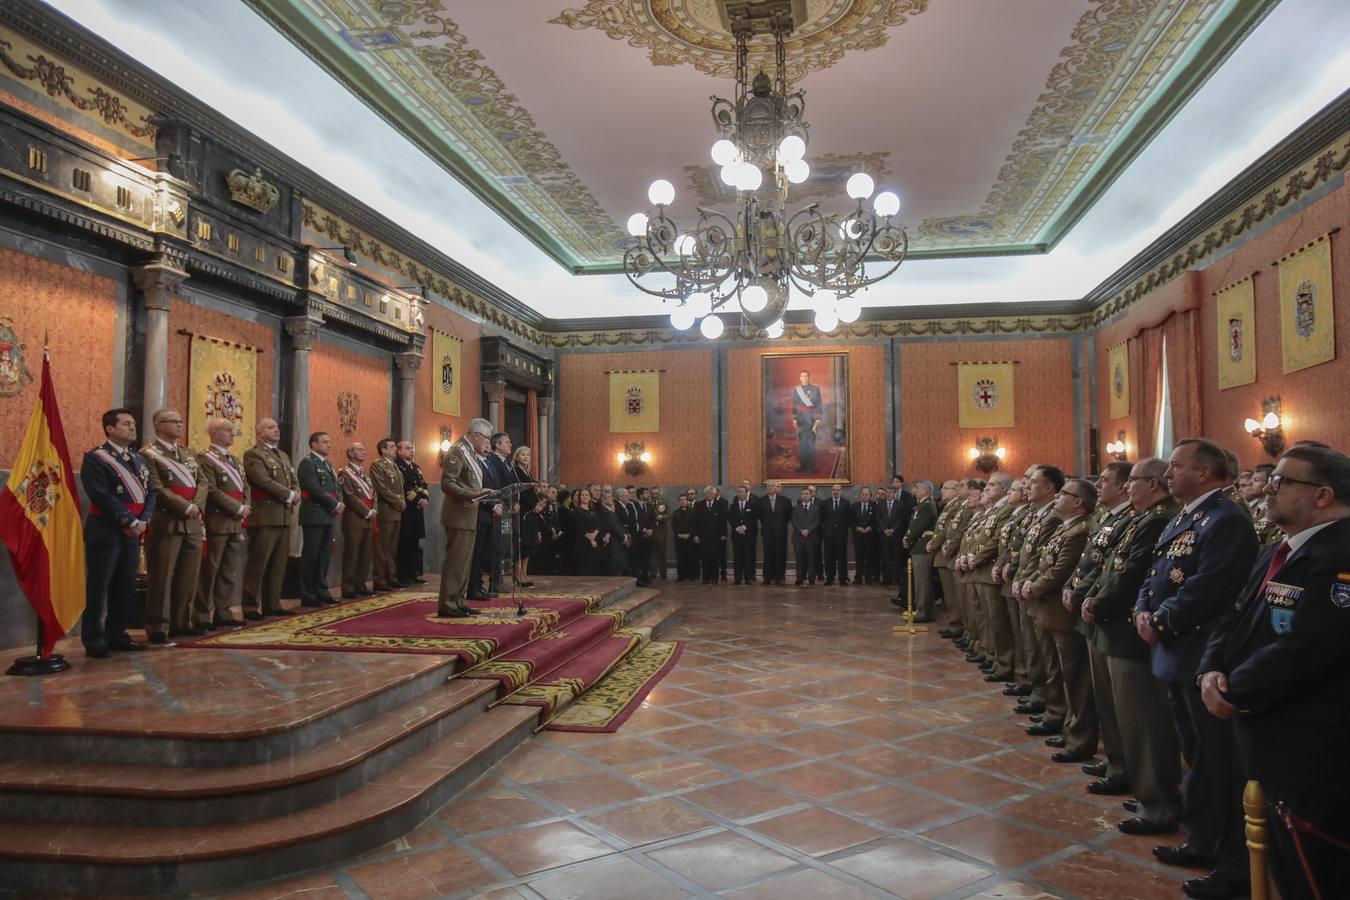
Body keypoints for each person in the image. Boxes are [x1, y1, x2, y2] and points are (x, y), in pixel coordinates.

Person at [1198, 445, 1350, 899]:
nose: (1268, 487)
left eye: (1283, 481)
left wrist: (1233, 689)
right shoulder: (1276, 551)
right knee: (1282, 860)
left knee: (1313, 868)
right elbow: (1233, 616)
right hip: (1265, 727)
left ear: (1322, 495)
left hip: (1311, 740)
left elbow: (1311, 646)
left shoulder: (1340, 554)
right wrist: (1210, 669)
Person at [1135, 439, 1256, 893]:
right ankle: (1202, 836)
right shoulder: (1188, 516)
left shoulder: (1225, 519)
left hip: (1198, 651)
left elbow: (1214, 585)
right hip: (1172, 649)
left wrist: (1162, 620)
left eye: (1176, 466)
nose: (1167, 474)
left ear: (1204, 473)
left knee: (1213, 759)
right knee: (1196, 754)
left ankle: (1219, 845)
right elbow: (1156, 573)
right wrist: (1143, 609)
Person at [1082, 457, 1183, 838]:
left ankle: (1157, 803)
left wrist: (1098, 602)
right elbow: (1110, 566)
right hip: (1117, 626)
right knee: (1125, 717)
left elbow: (1132, 573)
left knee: (1144, 722)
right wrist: (1092, 596)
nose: (1127, 488)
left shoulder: (1158, 519)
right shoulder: (1143, 518)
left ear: (1153, 484)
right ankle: (1137, 784)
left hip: (1130, 630)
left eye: (1133, 481)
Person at [1067, 461, 1136, 796]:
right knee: (1105, 699)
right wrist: (1079, 589)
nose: (1099, 486)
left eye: (1105, 481)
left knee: (1125, 706)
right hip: (1095, 608)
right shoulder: (1112, 519)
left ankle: (1128, 770)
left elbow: (1121, 572)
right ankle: (1115, 761)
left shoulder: (1137, 520)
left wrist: (1090, 597)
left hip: (1116, 620)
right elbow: (1094, 562)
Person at [1018, 477, 1096, 761]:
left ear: (1078, 502)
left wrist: (1034, 586)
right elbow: (1042, 561)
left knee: (1073, 676)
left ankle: (1078, 735)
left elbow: (1061, 569)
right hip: (1047, 608)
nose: (1059, 497)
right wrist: (1030, 582)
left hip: (1060, 611)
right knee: (1057, 670)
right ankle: (1064, 722)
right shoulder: (1066, 526)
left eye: (1064, 493)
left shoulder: (1080, 530)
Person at [81, 409, 154, 657]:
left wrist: (143, 520)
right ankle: (94, 639)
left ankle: (117, 634)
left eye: (133, 423)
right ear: (110, 429)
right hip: (106, 530)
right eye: (126, 423)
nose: (132, 427)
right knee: (99, 586)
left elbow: (150, 493)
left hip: (133, 531)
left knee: (125, 585)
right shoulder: (96, 458)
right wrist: (128, 519)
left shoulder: (139, 459)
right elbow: (100, 493)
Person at [141, 408, 208, 640]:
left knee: (189, 574)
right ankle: (158, 625)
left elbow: (203, 481)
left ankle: (182, 621)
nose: (179, 425)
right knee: (162, 574)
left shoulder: (189, 453)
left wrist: (196, 505)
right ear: (158, 425)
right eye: (174, 421)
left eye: (181, 421)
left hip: (193, 522)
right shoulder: (148, 454)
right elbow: (156, 487)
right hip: (166, 521)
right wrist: (184, 506)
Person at [1011, 466, 1064, 724]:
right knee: (1032, 645)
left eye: (1032, 482)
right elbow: (1024, 551)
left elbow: (1042, 558)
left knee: (1045, 652)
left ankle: (1048, 700)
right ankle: (1038, 691)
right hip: (1026, 586)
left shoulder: (1053, 518)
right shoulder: (1037, 515)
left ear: (1049, 488)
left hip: (1038, 591)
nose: (1026, 487)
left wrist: (1026, 580)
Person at [241, 418, 298, 620]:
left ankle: (272, 603)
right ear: (259, 433)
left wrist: (295, 492)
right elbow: (262, 480)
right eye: (270, 427)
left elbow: (293, 480)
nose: (276, 430)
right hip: (265, 516)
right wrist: (289, 495)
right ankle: (249, 605)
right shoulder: (253, 454)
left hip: (283, 516)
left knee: (278, 563)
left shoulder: (282, 455)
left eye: (277, 427)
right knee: (259, 563)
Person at [196, 417, 249, 629]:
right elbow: (211, 489)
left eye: (233, 430)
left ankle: (223, 611)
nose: (233, 434)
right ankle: (200, 614)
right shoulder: (206, 458)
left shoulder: (234, 460)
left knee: (229, 570)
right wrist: (237, 508)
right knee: (210, 570)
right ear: (215, 433)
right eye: (228, 430)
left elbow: (246, 487)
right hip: (218, 520)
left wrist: (245, 506)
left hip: (236, 521)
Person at [437, 419, 492, 617]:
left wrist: (479, 492)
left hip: (469, 513)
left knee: (465, 562)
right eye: (486, 438)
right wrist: (472, 494)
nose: (487, 442)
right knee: (455, 561)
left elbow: (470, 482)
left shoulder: (471, 453)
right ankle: (448, 604)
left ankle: (459, 601)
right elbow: (447, 483)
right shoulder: (457, 451)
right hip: (458, 513)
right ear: (476, 435)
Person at [296, 432, 342, 608]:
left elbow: (336, 488)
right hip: (314, 515)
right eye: (325, 442)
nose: (329, 445)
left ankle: (321, 590)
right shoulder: (308, 464)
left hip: (328, 514)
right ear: (314, 445)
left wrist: (339, 502)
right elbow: (314, 489)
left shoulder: (327, 465)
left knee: (324, 556)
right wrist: (334, 504)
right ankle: (308, 594)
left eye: (330, 442)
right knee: (311, 555)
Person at [337, 442, 376, 599]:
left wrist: (374, 510)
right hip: (354, 518)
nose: (363, 452)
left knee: (365, 554)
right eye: (360, 450)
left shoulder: (364, 474)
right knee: (352, 553)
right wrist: (367, 511)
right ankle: (348, 586)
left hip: (368, 518)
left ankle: (360, 583)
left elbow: (373, 494)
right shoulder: (345, 473)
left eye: (364, 449)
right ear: (351, 453)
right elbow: (349, 496)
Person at [394, 441, 430, 586]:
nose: (411, 451)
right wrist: (417, 500)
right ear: (399, 451)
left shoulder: (416, 467)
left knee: (415, 543)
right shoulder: (398, 466)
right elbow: (404, 486)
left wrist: (425, 498)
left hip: (417, 510)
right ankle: (402, 575)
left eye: (412, 449)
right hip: (406, 509)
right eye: (408, 449)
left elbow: (424, 484)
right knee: (404, 543)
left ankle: (413, 573)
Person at [902, 480, 938, 620]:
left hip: (922, 546)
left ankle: (924, 612)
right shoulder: (923, 504)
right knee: (919, 581)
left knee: (922, 582)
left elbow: (919, 526)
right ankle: (921, 609)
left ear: (925, 490)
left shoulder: (926, 505)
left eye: (917, 487)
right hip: (918, 545)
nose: (914, 490)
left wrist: (908, 538)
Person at [509, 446, 540, 587]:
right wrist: (534, 505)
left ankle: (525, 573)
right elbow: (520, 493)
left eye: (528, 455)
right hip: (523, 511)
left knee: (529, 545)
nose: (526, 457)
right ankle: (517, 574)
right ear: (517, 456)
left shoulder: (527, 471)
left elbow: (531, 493)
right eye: (523, 454)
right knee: (522, 544)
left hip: (531, 512)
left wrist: (538, 504)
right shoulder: (515, 471)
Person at [692, 485, 727, 585]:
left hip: (716, 537)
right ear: (705, 494)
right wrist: (695, 535)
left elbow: (723, 521)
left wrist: (724, 534)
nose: (709, 495)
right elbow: (695, 521)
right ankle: (705, 578)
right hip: (703, 537)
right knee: (704, 558)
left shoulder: (720, 504)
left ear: (715, 494)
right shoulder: (699, 505)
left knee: (715, 558)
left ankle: (715, 578)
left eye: (711, 493)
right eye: (707, 493)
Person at [791, 369, 823, 473]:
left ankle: (811, 467)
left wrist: (818, 419)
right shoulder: (796, 390)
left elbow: (819, 405)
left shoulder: (815, 389)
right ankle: (803, 466)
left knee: (810, 444)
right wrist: (794, 418)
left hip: (811, 418)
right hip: (800, 419)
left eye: (806, 376)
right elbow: (794, 405)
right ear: (800, 378)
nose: (804, 378)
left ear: (808, 377)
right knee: (802, 444)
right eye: (802, 376)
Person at [760, 480, 791, 586]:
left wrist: (779, 526)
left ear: (776, 487)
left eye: (772, 486)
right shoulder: (761, 500)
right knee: (767, 555)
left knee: (780, 555)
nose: (770, 488)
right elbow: (759, 516)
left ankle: (779, 578)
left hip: (780, 533)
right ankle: (767, 578)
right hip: (767, 533)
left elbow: (788, 516)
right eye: (768, 486)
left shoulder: (785, 500)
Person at [821, 484, 851, 585]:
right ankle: (829, 578)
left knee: (842, 557)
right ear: (831, 491)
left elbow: (848, 519)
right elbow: (822, 519)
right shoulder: (825, 503)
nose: (835, 492)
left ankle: (843, 578)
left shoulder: (846, 503)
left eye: (837, 490)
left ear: (841, 491)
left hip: (841, 535)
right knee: (829, 557)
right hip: (828, 535)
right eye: (834, 490)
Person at [728, 484, 758, 585]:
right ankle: (737, 578)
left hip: (748, 535)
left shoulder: (752, 505)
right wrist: (737, 528)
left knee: (747, 557)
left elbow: (753, 519)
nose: (740, 493)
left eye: (742, 491)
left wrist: (744, 527)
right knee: (737, 557)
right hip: (736, 536)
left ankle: (747, 578)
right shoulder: (733, 505)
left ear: (746, 493)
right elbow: (730, 519)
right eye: (739, 491)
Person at [791, 486, 820, 585]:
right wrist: (801, 530)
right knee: (799, 559)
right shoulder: (795, 508)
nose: (805, 495)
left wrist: (808, 530)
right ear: (801, 495)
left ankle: (811, 577)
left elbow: (817, 521)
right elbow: (794, 521)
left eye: (807, 494)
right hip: (798, 538)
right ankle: (799, 577)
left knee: (811, 558)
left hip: (811, 538)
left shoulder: (816, 508)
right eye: (803, 494)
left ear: (811, 495)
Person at [571, 487, 601, 576]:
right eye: (582, 495)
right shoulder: (577, 510)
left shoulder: (593, 510)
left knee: (594, 568)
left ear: (590, 497)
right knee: (584, 568)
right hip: (583, 543)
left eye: (586, 495)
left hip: (594, 542)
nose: (585, 496)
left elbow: (599, 525)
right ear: (580, 497)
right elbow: (580, 527)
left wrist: (594, 536)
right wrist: (591, 539)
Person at [851, 487, 877, 585]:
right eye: (863, 494)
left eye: (866, 494)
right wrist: (857, 528)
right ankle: (858, 577)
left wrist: (870, 527)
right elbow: (851, 521)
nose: (864, 496)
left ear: (870, 496)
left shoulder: (874, 506)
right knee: (858, 558)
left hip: (870, 536)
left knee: (869, 558)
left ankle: (868, 577)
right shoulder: (854, 506)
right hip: (858, 536)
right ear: (860, 495)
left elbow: (876, 520)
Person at [632, 486, 656, 586]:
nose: (648, 495)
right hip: (638, 536)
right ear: (641, 495)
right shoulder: (634, 505)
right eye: (646, 493)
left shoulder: (650, 506)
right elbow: (634, 520)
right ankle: (638, 578)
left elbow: (653, 519)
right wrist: (644, 529)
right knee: (638, 559)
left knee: (647, 557)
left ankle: (646, 576)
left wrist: (651, 529)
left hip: (649, 536)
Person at [671, 493, 696, 581]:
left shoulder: (693, 511)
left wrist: (689, 534)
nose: (682, 501)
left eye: (684, 500)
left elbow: (694, 524)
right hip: (679, 539)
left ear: (687, 501)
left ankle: (691, 576)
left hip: (689, 538)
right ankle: (681, 576)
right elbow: (673, 525)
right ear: (679, 501)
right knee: (680, 558)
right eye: (681, 500)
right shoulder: (675, 512)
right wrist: (679, 534)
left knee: (690, 557)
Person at [649, 486, 669, 580]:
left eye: (657, 494)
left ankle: (663, 573)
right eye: (653, 494)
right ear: (650, 493)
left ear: (659, 493)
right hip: (650, 532)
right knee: (651, 553)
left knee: (662, 553)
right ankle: (652, 572)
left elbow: (669, 514)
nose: (655, 495)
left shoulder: (664, 501)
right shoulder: (647, 502)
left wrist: (663, 517)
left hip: (661, 532)